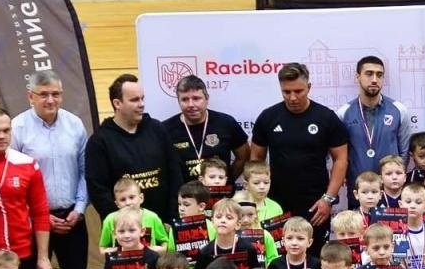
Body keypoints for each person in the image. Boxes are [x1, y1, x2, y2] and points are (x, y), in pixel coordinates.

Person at [10, 71, 91, 269]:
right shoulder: (17, 129)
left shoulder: (75, 125)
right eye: (43, 94)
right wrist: (40, 217)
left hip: (71, 219)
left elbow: (85, 171)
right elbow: (13, 180)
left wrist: (79, 208)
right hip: (35, 223)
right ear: (30, 96)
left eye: (55, 94)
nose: (50, 100)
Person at [251, 63, 348, 246]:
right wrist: (257, 197)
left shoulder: (326, 117)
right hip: (275, 203)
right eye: (286, 92)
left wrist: (328, 199)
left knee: (315, 254)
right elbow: (255, 160)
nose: (293, 97)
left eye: (298, 91)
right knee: (277, 254)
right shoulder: (268, 117)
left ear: (309, 87)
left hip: (315, 204)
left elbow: (341, 159)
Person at [86, 75, 186, 227]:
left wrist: (172, 217)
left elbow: (175, 173)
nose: (141, 104)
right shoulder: (99, 141)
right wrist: (124, 224)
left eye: (142, 98)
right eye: (134, 100)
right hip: (125, 231)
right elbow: (98, 191)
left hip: (164, 225)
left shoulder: (158, 129)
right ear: (117, 103)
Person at [0, 107, 53, 269]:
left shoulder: (27, 164)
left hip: (21, 252)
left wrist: (43, 256)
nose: (2, 136)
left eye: (6, 130)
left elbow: (40, 212)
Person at [336, 56, 411, 190]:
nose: (375, 79)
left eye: (379, 75)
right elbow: (338, 155)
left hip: (391, 191)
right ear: (357, 77)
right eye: (369, 74)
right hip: (358, 190)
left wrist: (395, 178)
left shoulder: (399, 110)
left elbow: (404, 152)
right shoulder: (343, 113)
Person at [165, 75, 249, 182]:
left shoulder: (226, 123)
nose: (191, 104)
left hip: (221, 191)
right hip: (184, 192)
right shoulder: (166, 129)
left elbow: (244, 156)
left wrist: (228, 180)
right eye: (185, 99)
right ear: (178, 101)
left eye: (196, 98)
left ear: (207, 98)